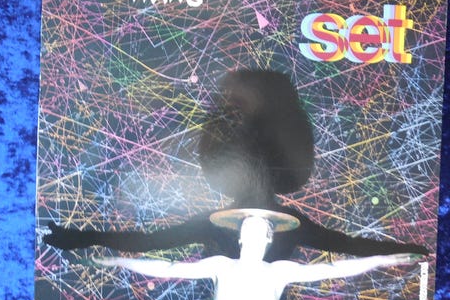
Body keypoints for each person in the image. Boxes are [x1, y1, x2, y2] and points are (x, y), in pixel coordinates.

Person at [44, 70, 428, 260]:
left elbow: (350, 246)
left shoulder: (282, 224)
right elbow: (148, 242)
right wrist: (86, 238)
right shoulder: (238, 222)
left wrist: (410, 249)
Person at [91, 209, 422, 300]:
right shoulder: (221, 265)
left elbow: (334, 269)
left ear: (268, 238)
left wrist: (385, 260)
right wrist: (119, 261)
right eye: (247, 226)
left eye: (260, 227)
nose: (252, 229)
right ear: (239, 236)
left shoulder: (279, 272)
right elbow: (169, 267)